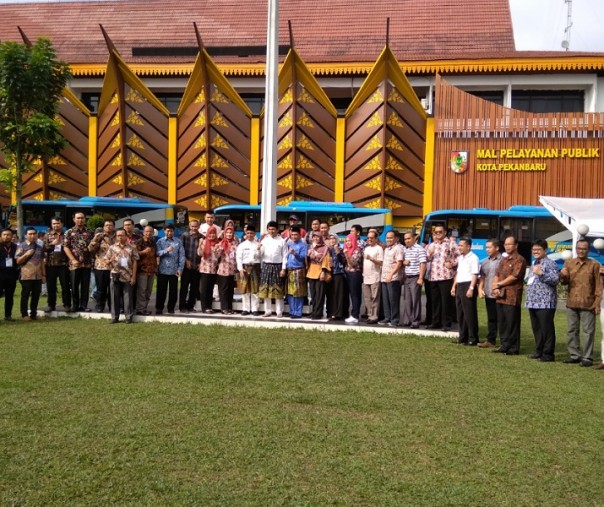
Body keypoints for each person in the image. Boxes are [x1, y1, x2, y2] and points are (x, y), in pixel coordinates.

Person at [559, 239, 602, 367]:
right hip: (572, 302)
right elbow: (564, 283)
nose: (581, 251)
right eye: (579, 248)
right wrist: (563, 275)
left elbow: (598, 286)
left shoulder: (594, 265)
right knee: (572, 330)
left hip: (588, 302)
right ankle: (574, 355)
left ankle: (587, 357)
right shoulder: (569, 263)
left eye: (584, 248)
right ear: (576, 249)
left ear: (588, 250)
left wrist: (597, 303)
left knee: (588, 331)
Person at [525, 239, 560, 362]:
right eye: (534, 249)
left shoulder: (550, 263)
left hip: (545, 302)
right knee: (537, 328)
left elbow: (555, 279)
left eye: (538, 249)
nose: (535, 251)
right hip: (533, 301)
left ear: (545, 250)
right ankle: (538, 351)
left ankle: (548, 354)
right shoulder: (535, 262)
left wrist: (541, 274)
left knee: (546, 329)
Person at [491, 236, 527, 355]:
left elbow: (514, 276)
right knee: (502, 322)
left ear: (516, 245)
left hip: (512, 296)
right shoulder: (503, 260)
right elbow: (497, 274)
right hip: (501, 295)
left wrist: (499, 284)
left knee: (512, 322)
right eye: (505, 244)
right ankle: (504, 345)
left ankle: (513, 347)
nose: (507, 246)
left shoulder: (519, 260)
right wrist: (495, 286)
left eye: (509, 244)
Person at [426, 225, 459, 331]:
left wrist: (453, 263)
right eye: (436, 232)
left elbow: (459, 257)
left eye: (440, 232)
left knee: (446, 301)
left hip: (446, 276)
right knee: (435, 301)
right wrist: (429, 254)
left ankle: (446, 323)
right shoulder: (432, 245)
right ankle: (435, 322)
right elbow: (427, 259)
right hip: (434, 276)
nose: (437, 234)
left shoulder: (451, 244)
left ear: (445, 232)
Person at [105, 228, 139, 323]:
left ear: (126, 236)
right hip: (115, 275)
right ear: (116, 236)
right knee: (114, 297)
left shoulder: (132, 247)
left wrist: (133, 277)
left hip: (128, 275)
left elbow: (135, 262)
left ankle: (128, 317)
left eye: (122, 235)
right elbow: (106, 260)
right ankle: (115, 317)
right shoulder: (112, 248)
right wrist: (109, 260)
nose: (120, 237)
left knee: (128, 297)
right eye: (118, 235)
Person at [451, 237, 480, 345]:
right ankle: (462, 337)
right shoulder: (461, 258)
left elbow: (475, 274)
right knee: (460, 313)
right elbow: (458, 273)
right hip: (460, 285)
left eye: (461, 245)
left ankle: (473, 338)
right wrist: (454, 286)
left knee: (469, 313)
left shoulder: (473, 258)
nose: (459, 247)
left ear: (468, 246)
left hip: (468, 285)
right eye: (459, 245)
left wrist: (471, 288)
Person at [63, 211, 94, 312]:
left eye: (82, 218)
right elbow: (66, 247)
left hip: (87, 263)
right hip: (74, 264)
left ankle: (84, 305)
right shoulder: (69, 232)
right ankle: (75, 305)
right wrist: (73, 259)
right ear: (74, 219)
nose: (80, 220)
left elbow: (93, 246)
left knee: (85, 286)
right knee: (74, 285)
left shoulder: (90, 232)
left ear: (85, 219)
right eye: (78, 218)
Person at [258, 221, 287, 317]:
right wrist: (258, 249)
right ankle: (268, 310)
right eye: (270, 229)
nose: (271, 231)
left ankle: (279, 311)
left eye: (273, 229)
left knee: (278, 289)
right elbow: (260, 255)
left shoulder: (282, 241)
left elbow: (285, 256)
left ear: (277, 230)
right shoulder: (264, 241)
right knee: (266, 289)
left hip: (277, 266)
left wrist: (283, 269)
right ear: (267, 230)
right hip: (266, 266)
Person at [15, 228, 45, 320]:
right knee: (25, 295)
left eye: (34, 234)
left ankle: (33, 314)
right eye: (30, 234)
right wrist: (26, 254)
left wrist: (44, 275)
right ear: (26, 236)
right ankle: (24, 314)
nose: (32, 236)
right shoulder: (21, 246)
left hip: (38, 276)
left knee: (36, 295)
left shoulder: (40, 247)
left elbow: (42, 262)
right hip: (26, 275)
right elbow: (18, 261)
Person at [43, 217, 72, 312]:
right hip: (51, 265)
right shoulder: (47, 235)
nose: (56, 225)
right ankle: (51, 305)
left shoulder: (67, 235)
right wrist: (52, 244)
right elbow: (43, 248)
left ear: (62, 224)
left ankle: (67, 305)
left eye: (58, 223)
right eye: (54, 223)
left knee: (66, 286)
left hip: (64, 264)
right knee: (51, 286)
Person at [155, 224, 184, 315]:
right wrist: (166, 250)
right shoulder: (160, 241)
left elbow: (182, 256)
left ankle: (171, 308)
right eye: (167, 231)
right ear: (164, 231)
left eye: (171, 231)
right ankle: (159, 308)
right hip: (162, 270)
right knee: (161, 290)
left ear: (173, 231)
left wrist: (180, 268)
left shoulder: (178, 242)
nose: (169, 233)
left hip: (174, 270)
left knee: (173, 291)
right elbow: (156, 253)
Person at [477, 239, 501, 348]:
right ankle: (491, 340)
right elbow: (482, 277)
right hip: (489, 293)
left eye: (489, 247)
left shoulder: (503, 261)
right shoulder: (485, 262)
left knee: (502, 318)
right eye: (486, 247)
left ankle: (505, 341)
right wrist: (480, 289)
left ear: (497, 248)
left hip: (500, 294)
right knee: (491, 318)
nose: (487, 249)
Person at [88, 219, 116, 313]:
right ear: (103, 227)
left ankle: (113, 306)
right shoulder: (99, 236)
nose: (108, 227)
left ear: (114, 227)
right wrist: (95, 240)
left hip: (114, 267)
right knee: (101, 288)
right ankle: (100, 305)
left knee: (113, 288)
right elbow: (91, 250)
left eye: (110, 225)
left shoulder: (117, 236)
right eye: (106, 225)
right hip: (101, 266)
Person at [402, 232, 427, 329]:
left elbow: (423, 264)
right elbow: (404, 262)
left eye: (408, 238)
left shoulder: (419, 249)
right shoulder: (406, 250)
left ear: (414, 239)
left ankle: (416, 321)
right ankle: (408, 320)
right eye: (405, 239)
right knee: (407, 300)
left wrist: (421, 278)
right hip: (407, 277)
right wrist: (404, 262)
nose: (407, 241)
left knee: (415, 300)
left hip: (415, 277)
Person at [236, 225, 261, 316]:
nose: (250, 235)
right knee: (245, 289)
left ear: (254, 234)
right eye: (248, 233)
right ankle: (245, 309)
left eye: (252, 233)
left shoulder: (258, 244)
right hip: (244, 267)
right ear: (245, 233)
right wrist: (240, 269)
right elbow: (238, 258)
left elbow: (260, 257)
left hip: (255, 267)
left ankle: (255, 309)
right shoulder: (242, 245)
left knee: (255, 290)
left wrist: (258, 250)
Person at [380, 231, 403, 326]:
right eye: (387, 238)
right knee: (385, 299)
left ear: (396, 238)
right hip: (384, 277)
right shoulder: (386, 249)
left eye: (391, 237)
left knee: (393, 299)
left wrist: (391, 274)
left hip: (393, 278)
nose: (388, 239)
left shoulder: (398, 248)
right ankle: (387, 317)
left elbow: (399, 263)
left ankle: (395, 319)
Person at [307, 231, 331, 320]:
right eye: (314, 237)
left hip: (320, 271)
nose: (315, 239)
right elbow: (308, 260)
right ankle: (314, 311)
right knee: (313, 294)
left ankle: (318, 313)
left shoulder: (325, 248)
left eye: (317, 237)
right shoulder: (311, 247)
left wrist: (323, 272)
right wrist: (309, 253)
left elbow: (326, 260)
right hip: (311, 272)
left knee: (320, 294)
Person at [285, 226, 308, 319]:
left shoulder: (303, 245)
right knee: (290, 292)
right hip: (290, 270)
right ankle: (292, 311)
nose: (294, 236)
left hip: (298, 270)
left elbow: (303, 258)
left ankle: (298, 312)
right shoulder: (289, 244)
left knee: (298, 292)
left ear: (299, 235)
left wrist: (295, 253)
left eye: (296, 235)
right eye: (292, 235)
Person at [215, 225, 238, 314]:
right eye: (227, 233)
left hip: (232, 271)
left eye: (230, 232)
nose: (229, 234)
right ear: (224, 234)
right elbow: (217, 256)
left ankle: (229, 308)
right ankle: (224, 308)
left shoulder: (235, 243)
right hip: (223, 270)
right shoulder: (221, 243)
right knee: (223, 290)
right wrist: (217, 249)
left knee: (231, 290)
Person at [179, 220, 201, 313]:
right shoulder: (185, 235)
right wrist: (186, 261)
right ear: (189, 226)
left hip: (197, 266)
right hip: (186, 266)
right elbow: (181, 250)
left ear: (198, 226)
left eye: (196, 226)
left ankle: (191, 306)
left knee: (194, 288)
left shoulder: (202, 237)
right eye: (192, 226)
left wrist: (201, 263)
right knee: (184, 287)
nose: (194, 228)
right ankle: (182, 306)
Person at [197, 225, 220, 313]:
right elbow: (200, 253)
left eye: (214, 233)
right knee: (204, 289)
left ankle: (209, 307)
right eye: (210, 233)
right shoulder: (203, 242)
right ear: (207, 234)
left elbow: (218, 256)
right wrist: (199, 245)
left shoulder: (217, 243)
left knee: (210, 289)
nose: (212, 235)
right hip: (205, 269)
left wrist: (216, 250)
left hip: (213, 269)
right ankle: (204, 307)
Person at [135, 225, 157, 315]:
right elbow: (134, 254)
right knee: (142, 291)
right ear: (143, 232)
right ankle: (140, 309)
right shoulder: (139, 242)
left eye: (150, 232)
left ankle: (145, 308)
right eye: (147, 231)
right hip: (142, 270)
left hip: (151, 270)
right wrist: (143, 252)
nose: (148, 233)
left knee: (148, 291)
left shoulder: (153, 242)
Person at [362, 230, 383, 324]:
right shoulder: (366, 248)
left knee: (375, 298)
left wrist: (371, 258)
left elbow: (381, 262)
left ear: (376, 239)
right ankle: (370, 315)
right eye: (368, 238)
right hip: (366, 276)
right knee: (367, 298)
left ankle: (374, 317)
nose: (369, 239)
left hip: (375, 276)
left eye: (371, 238)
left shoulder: (379, 248)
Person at [326, 233, 348, 321]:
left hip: (339, 273)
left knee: (339, 294)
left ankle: (339, 313)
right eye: (330, 238)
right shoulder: (328, 250)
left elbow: (343, 262)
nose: (332, 240)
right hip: (330, 273)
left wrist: (338, 253)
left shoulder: (340, 249)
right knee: (332, 294)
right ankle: (332, 312)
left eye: (334, 238)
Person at [344, 232, 363, 324]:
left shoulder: (357, 250)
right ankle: (352, 314)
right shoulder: (347, 249)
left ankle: (355, 315)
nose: (348, 242)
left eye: (350, 240)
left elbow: (353, 264)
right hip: (348, 274)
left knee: (355, 295)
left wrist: (347, 256)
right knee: (351, 294)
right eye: (346, 241)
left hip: (355, 274)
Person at [0, 228, 19, 321]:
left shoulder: (16, 247)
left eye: (8, 235)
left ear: (12, 237)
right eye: (4, 234)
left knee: (9, 296)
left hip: (12, 275)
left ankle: (8, 315)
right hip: (0, 274)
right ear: (1, 236)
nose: (6, 236)